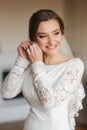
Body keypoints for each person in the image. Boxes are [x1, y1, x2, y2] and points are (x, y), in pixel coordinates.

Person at [1, 9, 85, 130]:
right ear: (33, 38)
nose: (51, 41)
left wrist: (37, 64)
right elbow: (7, 93)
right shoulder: (31, 64)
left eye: (56, 33)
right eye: (42, 36)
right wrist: (21, 60)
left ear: (62, 33)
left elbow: (48, 103)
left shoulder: (74, 66)